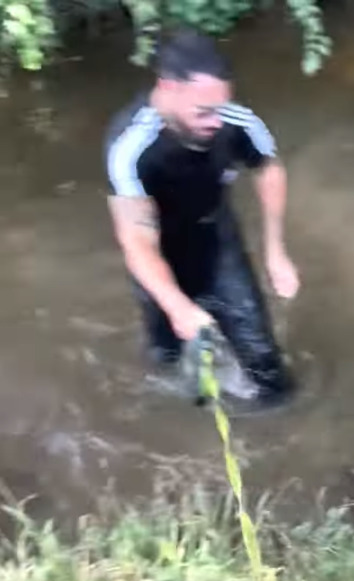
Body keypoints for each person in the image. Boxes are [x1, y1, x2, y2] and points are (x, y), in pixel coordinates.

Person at [104, 30, 299, 404]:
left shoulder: (235, 120)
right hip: (159, 252)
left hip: (216, 239)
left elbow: (269, 170)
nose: (216, 121)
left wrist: (276, 251)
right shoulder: (130, 146)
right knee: (173, 363)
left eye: (221, 107)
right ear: (168, 88)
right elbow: (136, 240)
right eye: (203, 112)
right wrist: (178, 307)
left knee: (267, 369)